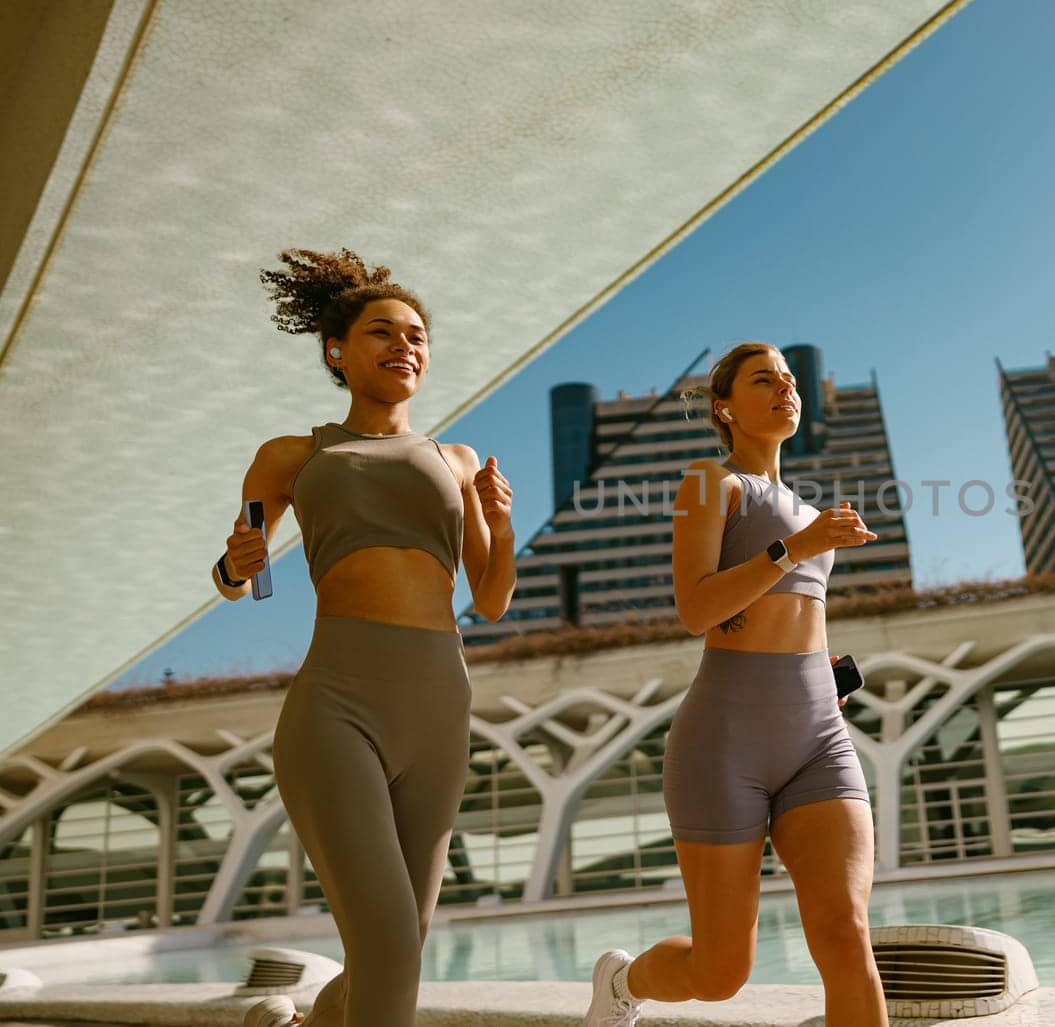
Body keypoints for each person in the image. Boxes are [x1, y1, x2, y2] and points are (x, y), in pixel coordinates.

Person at [223, 249, 516, 1027]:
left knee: (398, 949)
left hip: (440, 710)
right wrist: (234, 560)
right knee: (388, 946)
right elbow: (240, 574)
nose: (405, 345)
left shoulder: (454, 460)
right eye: (383, 331)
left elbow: (490, 597)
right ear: (337, 351)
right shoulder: (293, 455)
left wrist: (502, 519)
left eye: (417, 335)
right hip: (338, 706)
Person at [582, 342, 889, 1026]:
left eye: (788, 377)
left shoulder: (813, 512)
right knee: (722, 972)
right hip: (724, 745)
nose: (785, 387)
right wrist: (792, 549)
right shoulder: (712, 483)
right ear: (726, 408)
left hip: (817, 739)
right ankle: (623, 982)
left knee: (845, 934)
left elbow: (802, 617)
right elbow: (696, 607)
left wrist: (828, 678)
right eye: (764, 379)